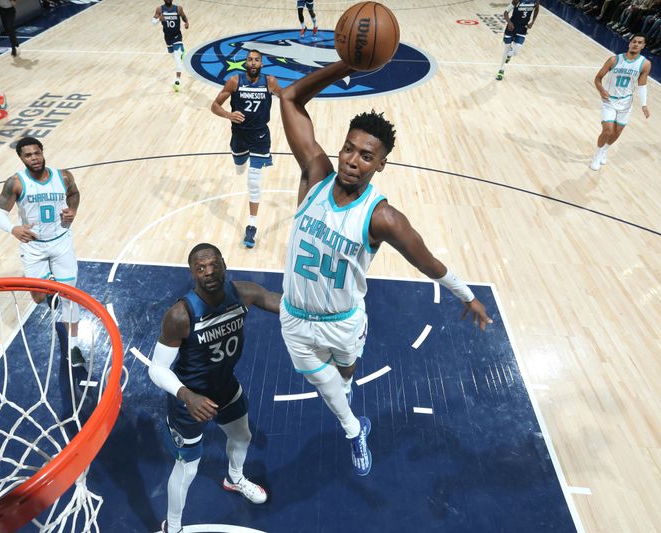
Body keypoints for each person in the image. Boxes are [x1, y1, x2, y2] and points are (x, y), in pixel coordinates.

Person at [279, 60, 493, 476]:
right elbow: (290, 98)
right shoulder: (315, 175)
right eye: (348, 148)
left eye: (366, 156)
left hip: (343, 320)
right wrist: (346, 64)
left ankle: (346, 386)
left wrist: (468, 296)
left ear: (380, 165)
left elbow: (428, 261)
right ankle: (353, 428)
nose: (352, 160)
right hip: (296, 320)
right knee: (327, 388)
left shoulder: (382, 218)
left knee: (345, 372)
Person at [149, 243, 280, 533]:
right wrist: (187, 395)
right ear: (193, 273)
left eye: (213, 264)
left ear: (223, 263)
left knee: (242, 436)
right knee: (187, 468)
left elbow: (279, 302)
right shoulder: (180, 316)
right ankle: (173, 527)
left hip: (225, 388)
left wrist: (320, 310)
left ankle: (235, 478)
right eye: (200, 267)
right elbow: (156, 369)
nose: (208, 271)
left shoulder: (242, 292)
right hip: (189, 401)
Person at [0, 137, 85, 367]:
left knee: (70, 296)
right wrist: (12, 228)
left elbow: (74, 194)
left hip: (61, 242)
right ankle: (44, 286)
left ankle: (73, 346)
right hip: (33, 246)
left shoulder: (63, 176)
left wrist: (71, 210)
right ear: (21, 158)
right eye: (28, 155)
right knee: (38, 297)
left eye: (37, 153)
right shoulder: (16, 183)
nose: (34, 158)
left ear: (43, 152)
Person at [211, 49, 282, 249]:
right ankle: (240, 163)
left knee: (253, 180)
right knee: (240, 167)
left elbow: (286, 98)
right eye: (249, 59)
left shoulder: (269, 82)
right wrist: (228, 114)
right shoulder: (234, 81)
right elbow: (214, 105)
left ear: (262, 63)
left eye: (256, 60)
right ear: (245, 63)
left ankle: (252, 225)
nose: (252, 63)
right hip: (239, 135)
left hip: (260, 136)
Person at [589, 33, 651, 170]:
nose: (636, 44)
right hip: (609, 101)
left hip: (626, 103)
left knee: (617, 133)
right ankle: (597, 155)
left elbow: (642, 85)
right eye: (634, 41)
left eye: (640, 42)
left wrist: (644, 105)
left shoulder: (645, 64)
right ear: (629, 43)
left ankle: (604, 150)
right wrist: (601, 90)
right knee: (607, 131)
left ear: (643, 46)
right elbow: (598, 78)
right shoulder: (614, 60)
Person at [496, 0, 540, 81]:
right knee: (506, 49)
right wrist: (509, 23)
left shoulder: (535, 1)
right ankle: (501, 69)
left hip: (523, 28)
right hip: (511, 27)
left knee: (515, 52)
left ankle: (509, 54)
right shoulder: (517, 1)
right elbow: (505, 13)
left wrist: (532, 22)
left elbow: (537, 9)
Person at [151, 0, 188, 92]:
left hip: (177, 37)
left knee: (177, 58)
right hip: (167, 38)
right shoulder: (159, 9)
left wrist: (186, 22)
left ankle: (177, 81)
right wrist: (159, 19)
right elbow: (152, 22)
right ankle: (182, 53)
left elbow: (183, 16)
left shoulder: (178, 9)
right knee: (173, 55)